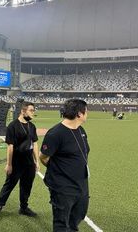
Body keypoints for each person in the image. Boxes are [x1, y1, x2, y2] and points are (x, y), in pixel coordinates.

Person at [40, 99, 90, 232]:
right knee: (62, 223)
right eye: (86, 110)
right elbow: (43, 157)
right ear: (79, 113)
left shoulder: (81, 130)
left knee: (78, 215)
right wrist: (60, 171)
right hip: (63, 186)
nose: (88, 113)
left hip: (81, 183)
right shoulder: (55, 133)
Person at [0, 101, 40, 217]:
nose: (33, 113)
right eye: (31, 110)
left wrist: (36, 161)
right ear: (23, 111)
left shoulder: (32, 126)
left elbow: (35, 144)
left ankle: (23, 207)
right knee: (9, 184)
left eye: (34, 111)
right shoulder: (13, 126)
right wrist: (9, 164)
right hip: (16, 161)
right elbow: (10, 147)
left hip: (29, 162)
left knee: (27, 186)